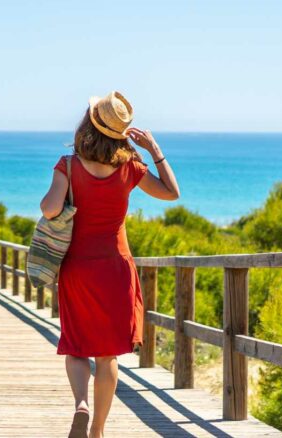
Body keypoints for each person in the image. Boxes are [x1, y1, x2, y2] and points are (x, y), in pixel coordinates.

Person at [39, 92, 181, 438]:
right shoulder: (130, 168)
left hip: (78, 269)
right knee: (107, 356)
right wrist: (154, 150)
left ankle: (81, 405)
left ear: (87, 125)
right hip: (116, 270)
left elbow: (49, 209)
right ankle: (98, 431)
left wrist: (64, 191)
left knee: (76, 346)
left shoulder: (68, 166)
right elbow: (170, 192)